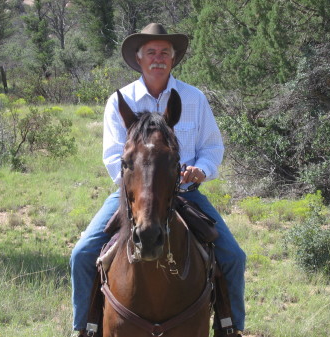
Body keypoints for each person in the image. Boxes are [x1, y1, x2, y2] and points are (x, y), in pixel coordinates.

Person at [70, 23, 246, 336]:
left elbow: (212, 147)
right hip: (133, 196)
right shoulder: (121, 101)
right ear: (139, 59)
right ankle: (84, 326)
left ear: (173, 58)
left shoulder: (194, 99)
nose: (158, 58)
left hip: (185, 194)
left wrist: (200, 170)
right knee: (83, 254)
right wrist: (135, 184)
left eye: (165, 52)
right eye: (151, 51)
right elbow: (113, 156)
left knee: (233, 256)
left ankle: (229, 327)